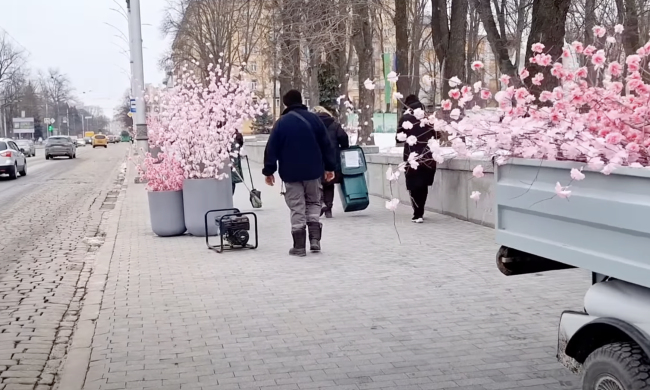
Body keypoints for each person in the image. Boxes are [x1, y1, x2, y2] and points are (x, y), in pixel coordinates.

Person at [263, 90, 336, 256]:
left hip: (290, 172)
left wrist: (269, 171)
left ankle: (299, 246)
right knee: (313, 202)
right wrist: (330, 168)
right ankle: (315, 240)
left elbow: (271, 148)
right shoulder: (315, 119)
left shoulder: (281, 123)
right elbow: (327, 145)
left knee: (297, 206)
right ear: (301, 101)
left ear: (285, 104)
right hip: (313, 171)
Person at [396, 95, 438, 223]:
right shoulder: (428, 118)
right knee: (423, 185)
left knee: (413, 185)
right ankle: (420, 211)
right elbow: (437, 134)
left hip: (411, 156)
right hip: (428, 156)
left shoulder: (405, 118)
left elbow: (398, 138)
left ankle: (417, 213)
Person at [313, 106, 349, 218]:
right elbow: (343, 137)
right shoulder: (334, 124)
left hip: (316, 158)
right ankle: (328, 208)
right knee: (329, 183)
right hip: (332, 157)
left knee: (317, 183)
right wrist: (343, 148)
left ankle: (321, 204)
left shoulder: (312, 124)